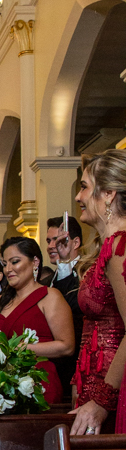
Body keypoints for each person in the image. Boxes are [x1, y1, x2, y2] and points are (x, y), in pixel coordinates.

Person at [0, 237, 74, 405]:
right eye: (5, 264)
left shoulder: (49, 296)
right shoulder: (1, 302)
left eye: (15, 262)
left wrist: (23, 348)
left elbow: (67, 346)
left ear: (35, 262)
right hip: (2, 386)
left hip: (38, 384)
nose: (8, 269)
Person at [68, 152, 126, 435]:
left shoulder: (120, 247)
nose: (78, 196)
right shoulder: (108, 246)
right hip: (96, 388)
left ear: (108, 193)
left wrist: (103, 401)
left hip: (113, 391)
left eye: (84, 187)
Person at [45, 215, 83, 401]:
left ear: (75, 243)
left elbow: (73, 309)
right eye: (48, 241)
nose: (51, 246)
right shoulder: (46, 282)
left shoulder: (88, 273)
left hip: (77, 363)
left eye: (57, 240)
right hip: (54, 369)